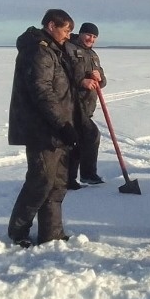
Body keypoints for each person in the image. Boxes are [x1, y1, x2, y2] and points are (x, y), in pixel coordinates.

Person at [7, 9, 79, 247]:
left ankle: (52, 233)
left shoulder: (54, 50)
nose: (69, 36)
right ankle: (18, 232)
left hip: (57, 128)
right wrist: (62, 123)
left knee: (58, 181)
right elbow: (43, 92)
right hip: (41, 129)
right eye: (66, 30)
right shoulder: (39, 52)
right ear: (51, 25)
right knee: (40, 181)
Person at [65, 22, 107, 189]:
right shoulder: (68, 49)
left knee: (78, 140)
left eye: (94, 37)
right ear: (81, 34)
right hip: (72, 103)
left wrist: (99, 78)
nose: (91, 39)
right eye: (88, 35)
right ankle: (88, 174)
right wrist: (81, 81)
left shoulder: (93, 55)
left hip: (87, 106)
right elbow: (62, 75)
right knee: (91, 134)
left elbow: (102, 81)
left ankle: (70, 179)